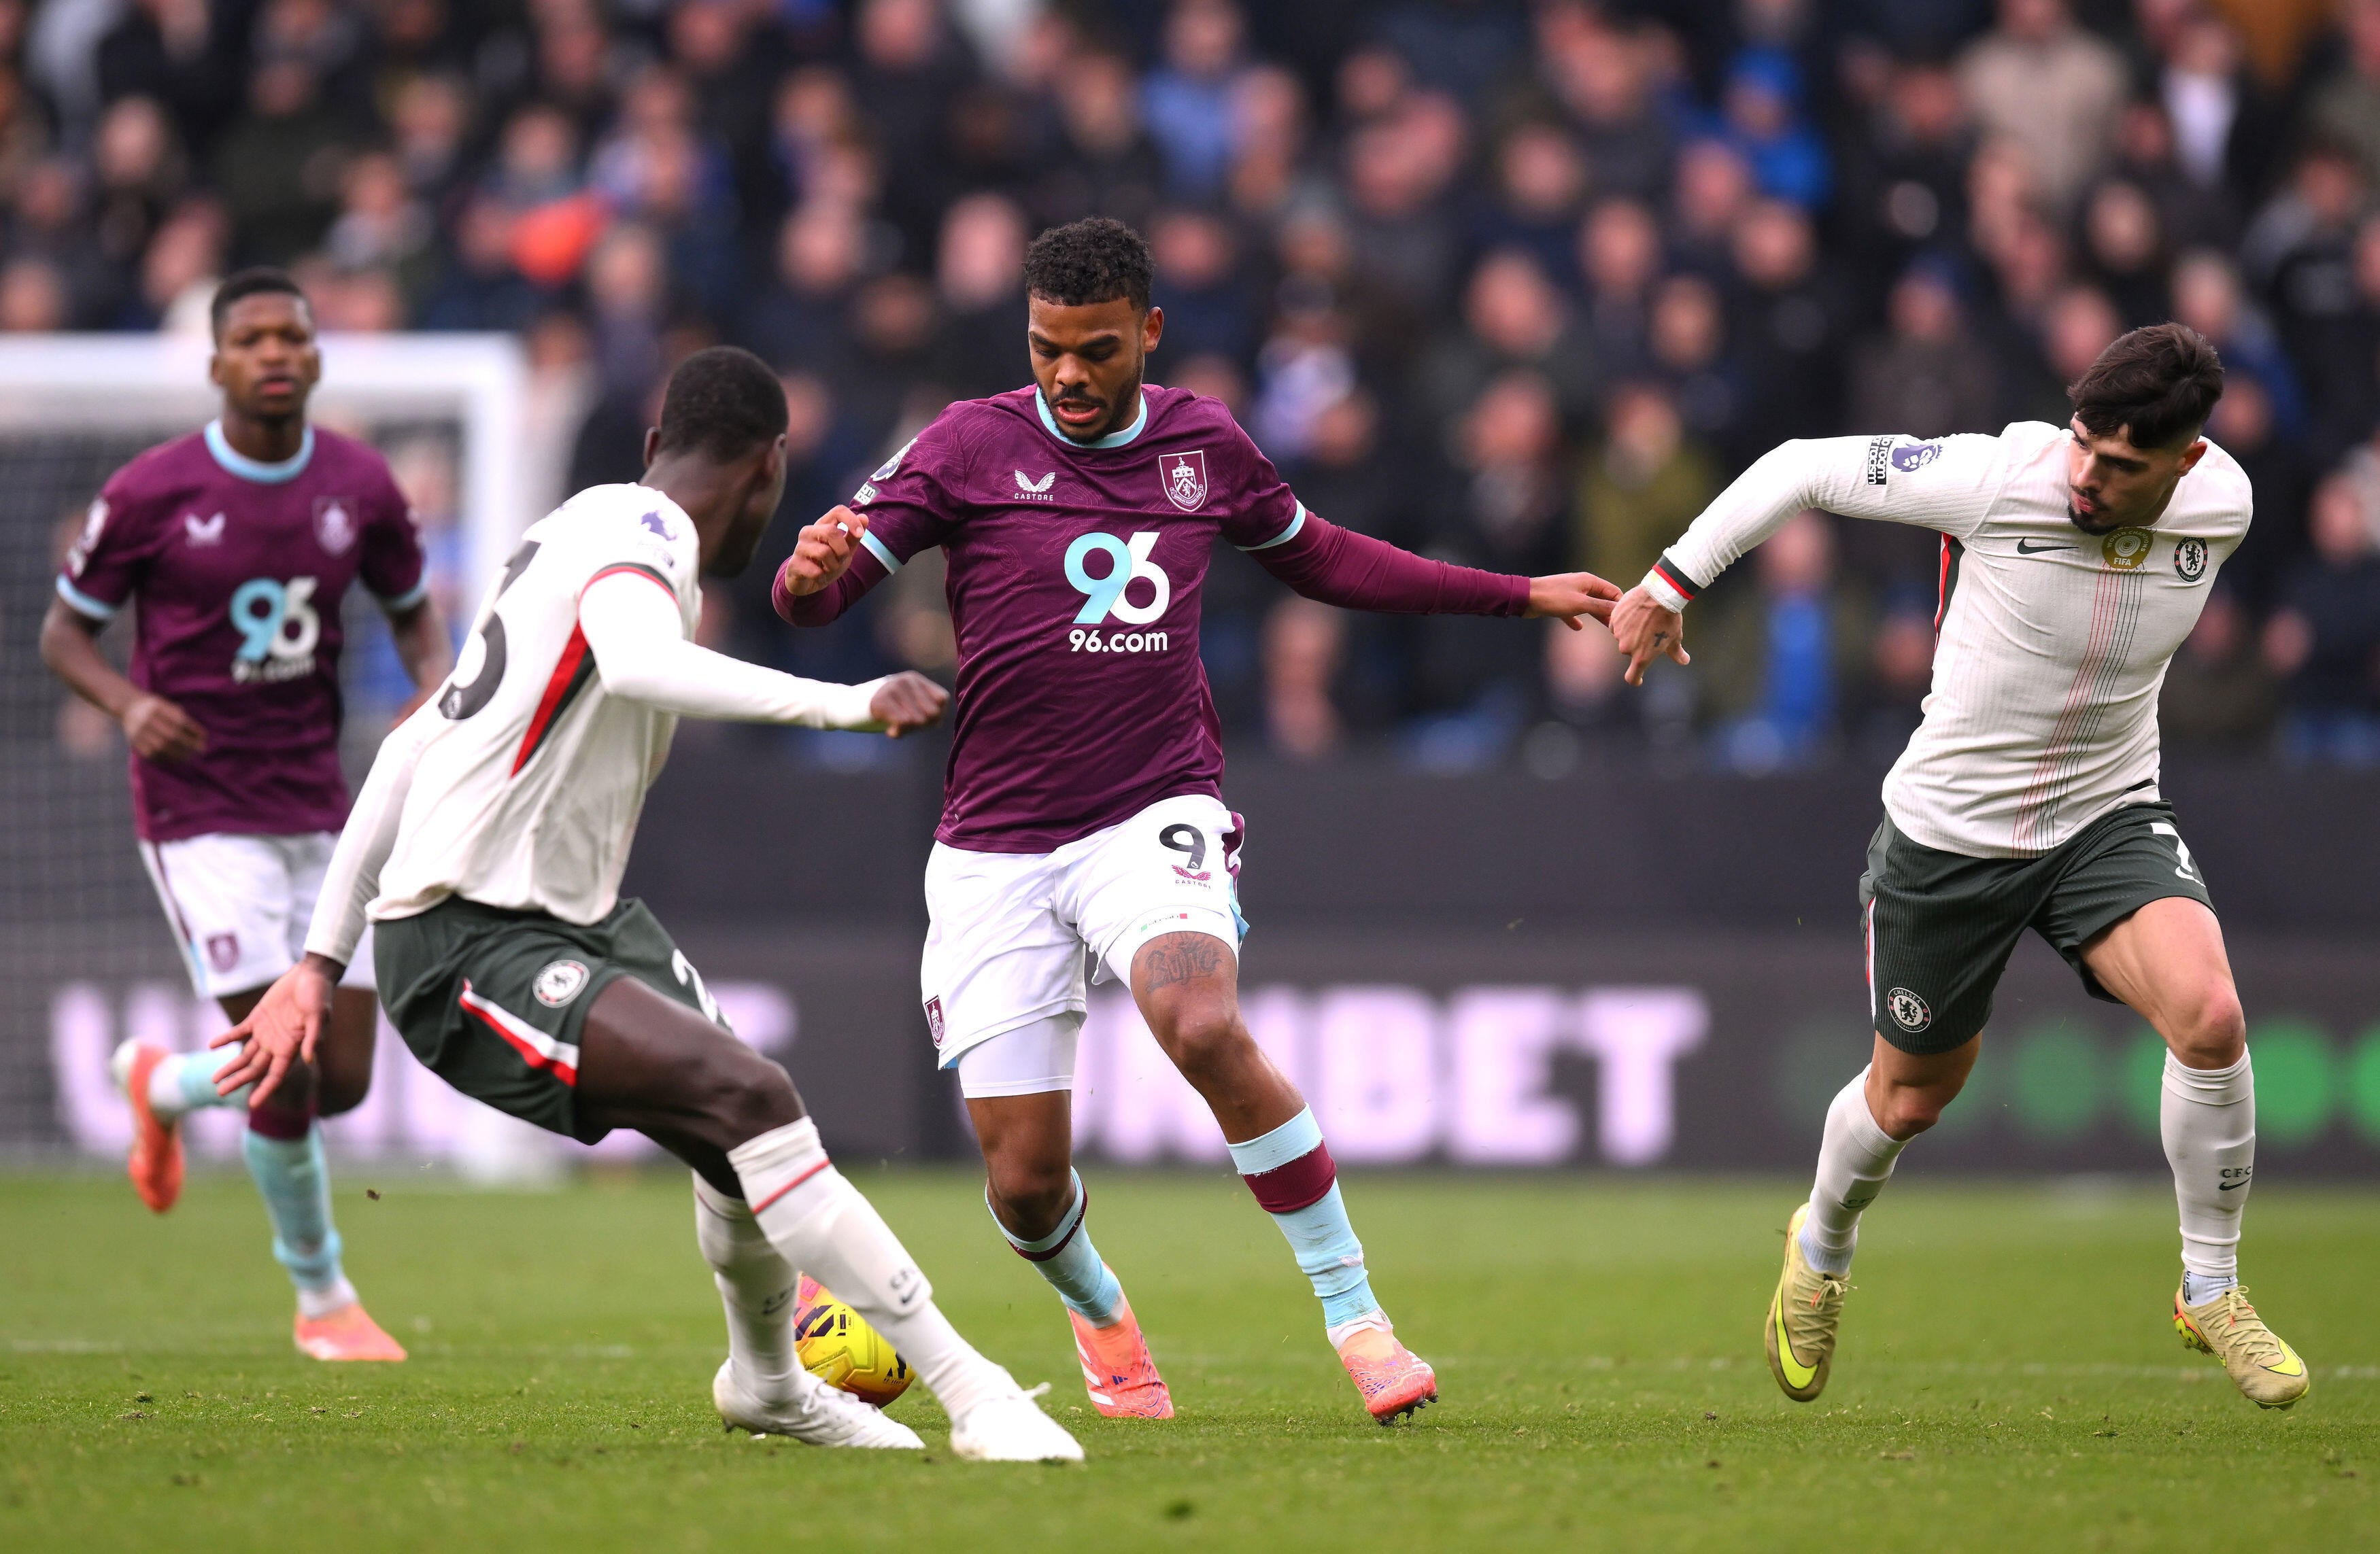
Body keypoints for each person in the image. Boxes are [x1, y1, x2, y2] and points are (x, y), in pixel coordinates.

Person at [774, 217, 1620, 1424]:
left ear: (1149, 334)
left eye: (1097, 350)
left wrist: (1518, 593)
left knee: (1200, 1016)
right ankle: (1103, 1314)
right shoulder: (969, 440)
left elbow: (1325, 558)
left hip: (1151, 804)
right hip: (996, 843)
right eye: (1048, 347)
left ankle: (1356, 1314)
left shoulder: (1203, 445)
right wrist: (808, 578)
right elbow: (828, 586)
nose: (1069, 374)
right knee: (1023, 1184)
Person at [214, 346, 1081, 1461]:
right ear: (770, 468)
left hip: (573, 924)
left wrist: (317, 964)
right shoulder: (649, 536)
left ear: (650, 441)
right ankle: (981, 1395)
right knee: (750, 1093)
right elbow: (634, 663)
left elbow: (408, 745)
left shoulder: (567, 532)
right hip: (469, 939)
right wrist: (845, 702)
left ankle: (768, 1383)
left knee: (737, 1134)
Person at [1608, 322, 2309, 1411]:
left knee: (2213, 1018)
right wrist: (1672, 578)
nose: (2087, 475)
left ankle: (2209, 1286)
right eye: (2083, 443)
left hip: (2105, 817)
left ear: (2186, 462)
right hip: (1952, 840)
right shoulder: (1998, 475)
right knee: (1914, 1094)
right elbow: (1803, 466)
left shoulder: (2228, 505)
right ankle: (1823, 1243)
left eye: (2121, 466)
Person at [40, 268, 454, 1363]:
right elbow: (63, 635)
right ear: (217, 362)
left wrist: (433, 690)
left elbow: (417, 620)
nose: (275, 354)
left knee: (348, 1076)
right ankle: (322, 1298)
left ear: (317, 358)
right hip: (198, 808)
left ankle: (160, 1084)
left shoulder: (361, 484)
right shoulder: (150, 491)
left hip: (321, 800)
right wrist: (129, 703)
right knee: (283, 1064)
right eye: (253, 339)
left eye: (293, 337)